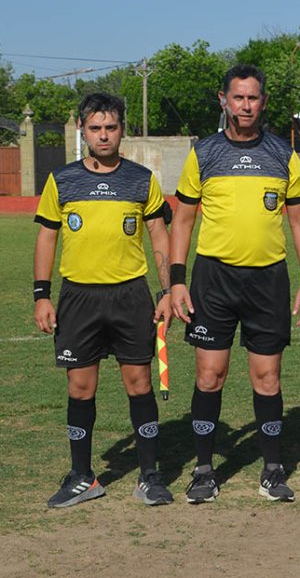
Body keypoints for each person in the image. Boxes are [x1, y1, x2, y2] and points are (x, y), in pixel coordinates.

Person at [170, 64, 300, 504]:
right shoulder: (204, 152)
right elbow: (183, 220)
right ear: (224, 100)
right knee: (209, 374)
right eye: (238, 97)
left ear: (263, 102)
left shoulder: (282, 154)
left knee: (267, 377)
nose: (246, 105)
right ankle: (203, 470)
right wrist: (177, 281)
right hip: (213, 279)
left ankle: (272, 470)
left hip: (268, 280)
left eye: (253, 98)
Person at [34, 93, 173, 507]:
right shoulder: (61, 180)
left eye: (111, 127)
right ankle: (82, 477)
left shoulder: (142, 179)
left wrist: (167, 291)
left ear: (122, 130)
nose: (104, 135)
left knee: (139, 383)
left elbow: (159, 235)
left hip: (131, 295)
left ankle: (149, 476)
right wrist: (42, 295)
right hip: (78, 296)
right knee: (80, 387)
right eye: (95, 128)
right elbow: (46, 237)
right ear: (82, 130)